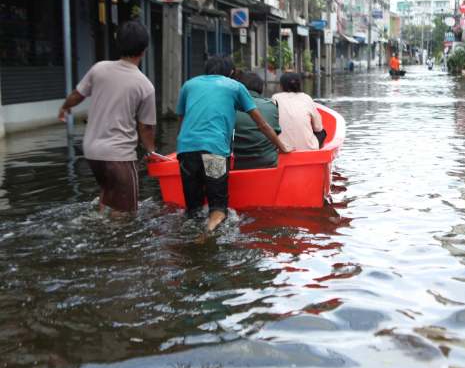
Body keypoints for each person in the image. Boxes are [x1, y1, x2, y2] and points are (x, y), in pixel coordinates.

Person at [176, 56, 291, 231]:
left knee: (193, 210)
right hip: (214, 153)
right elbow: (262, 124)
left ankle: (192, 238)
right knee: (218, 209)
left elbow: (182, 120)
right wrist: (283, 147)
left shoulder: (189, 85)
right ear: (231, 73)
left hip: (186, 151)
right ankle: (208, 233)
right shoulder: (235, 86)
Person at [57, 20, 156, 215]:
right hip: (118, 155)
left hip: (92, 151)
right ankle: (111, 239)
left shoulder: (99, 69)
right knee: (126, 213)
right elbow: (145, 128)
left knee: (108, 192)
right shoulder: (145, 85)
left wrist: (64, 108)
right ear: (144, 50)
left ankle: (102, 222)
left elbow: (77, 94)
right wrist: (152, 153)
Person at [232, 71, 281, 170]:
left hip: (236, 165)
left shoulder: (229, 106)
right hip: (268, 164)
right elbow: (277, 133)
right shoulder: (271, 106)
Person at [271, 72, 324, 151]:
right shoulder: (307, 98)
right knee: (322, 132)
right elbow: (318, 128)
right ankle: (318, 154)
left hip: (282, 149)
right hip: (308, 149)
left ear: (281, 86)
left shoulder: (275, 98)